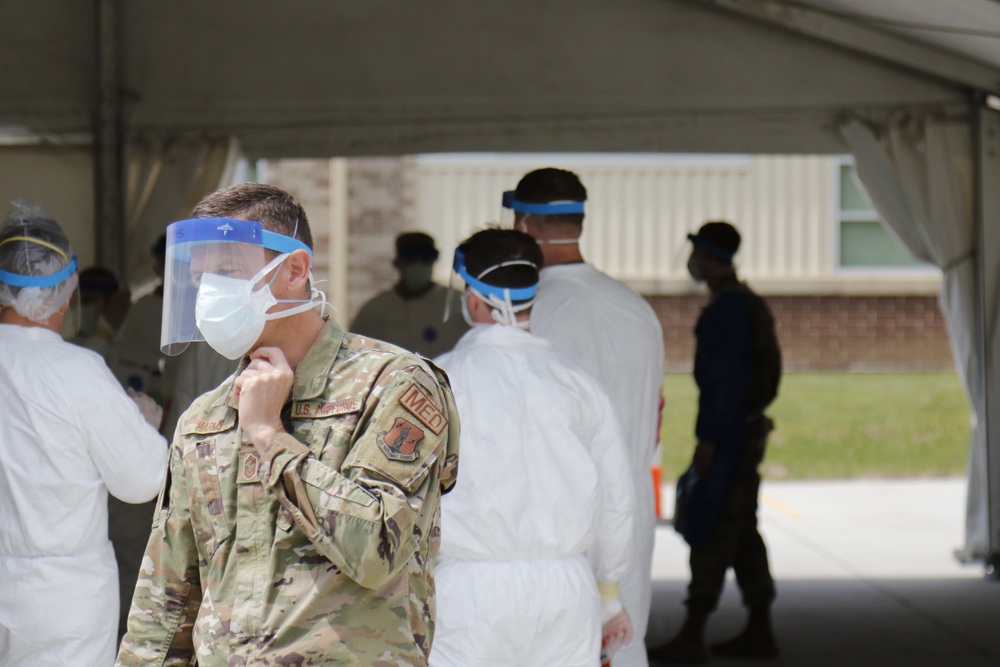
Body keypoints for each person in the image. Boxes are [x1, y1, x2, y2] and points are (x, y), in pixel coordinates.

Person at [116, 182, 460, 666]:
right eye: (200, 279)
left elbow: (377, 551)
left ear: (294, 269)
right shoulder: (206, 418)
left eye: (229, 272)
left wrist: (269, 436)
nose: (210, 292)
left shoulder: (393, 386)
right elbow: (166, 605)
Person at [430, 228, 634, 667]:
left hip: (468, 595)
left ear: (471, 297)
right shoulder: (579, 385)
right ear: (533, 298)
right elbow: (617, 501)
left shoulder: (436, 382)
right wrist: (610, 596)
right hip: (566, 592)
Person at [504, 167, 665, 667]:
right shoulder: (637, 309)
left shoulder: (535, 311)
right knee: (624, 643)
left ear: (524, 226)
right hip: (630, 510)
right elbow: (656, 412)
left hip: (564, 518)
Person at [0, 200, 168, 667]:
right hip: (59, 599)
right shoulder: (77, 369)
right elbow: (140, 481)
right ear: (65, 288)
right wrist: (141, 427)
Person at [649, 221, 782, 663]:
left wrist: (708, 440)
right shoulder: (747, 303)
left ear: (707, 257)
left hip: (727, 439)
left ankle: (693, 632)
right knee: (742, 530)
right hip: (744, 432)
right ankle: (759, 627)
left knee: (712, 527)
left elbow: (722, 384)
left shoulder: (727, 310)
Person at [351, 231, 468, 357]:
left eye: (425, 259)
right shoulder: (374, 311)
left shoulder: (457, 304)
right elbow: (354, 356)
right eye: (410, 259)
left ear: (434, 261)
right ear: (396, 263)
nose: (418, 265)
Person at [71, 264, 130, 357]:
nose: (96, 308)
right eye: (87, 300)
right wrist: (105, 331)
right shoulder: (62, 349)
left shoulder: (133, 353)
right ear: (72, 303)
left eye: (105, 300)